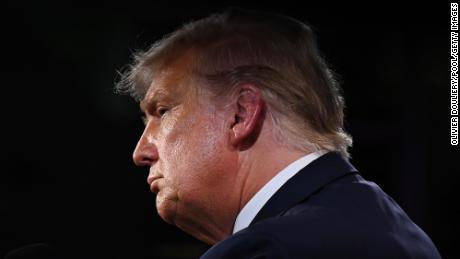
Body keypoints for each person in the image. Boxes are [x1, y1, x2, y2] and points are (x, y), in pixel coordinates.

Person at [116, 8, 441, 258]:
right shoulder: (398, 230)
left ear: (241, 114)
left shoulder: (268, 249)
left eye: (162, 112)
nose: (141, 151)